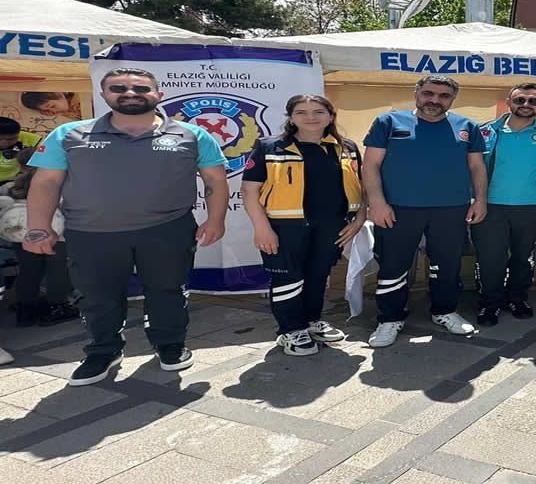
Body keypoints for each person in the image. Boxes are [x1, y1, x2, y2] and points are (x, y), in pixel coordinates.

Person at [25, 68, 229, 386]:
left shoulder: (192, 135)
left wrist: (215, 220)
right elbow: (46, 182)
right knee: (97, 296)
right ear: (104, 95)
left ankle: (169, 344)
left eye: (141, 88)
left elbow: (215, 179)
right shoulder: (69, 134)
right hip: (91, 233)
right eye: (118, 88)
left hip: (168, 229)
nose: (130, 93)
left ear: (159, 95)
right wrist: (39, 227)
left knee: (167, 291)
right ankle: (103, 351)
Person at [362, 75, 486, 347]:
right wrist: (377, 202)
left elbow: (477, 167)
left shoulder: (467, 126)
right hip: (398, 209)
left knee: (447, 264)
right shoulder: (388, 122)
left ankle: (445, 311)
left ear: (452, 99)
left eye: (444, 96)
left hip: (451, 209)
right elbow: (370, 165)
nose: (435, 100)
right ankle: (390, 318)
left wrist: (480, 200)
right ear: (416, 93)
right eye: (429, 93)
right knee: (394, 265)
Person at [241, 95, 366, 356]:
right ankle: (290, 330)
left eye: (318, 111)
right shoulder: (270, 147)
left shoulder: (346, 147)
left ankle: (310, 321)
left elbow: (362, 186)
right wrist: (262, 228)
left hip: (331, 226)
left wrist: (359, 219)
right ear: (291, 117)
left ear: (330, 116)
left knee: (318, 275)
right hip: (284, 226)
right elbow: (249, 191)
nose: (310, 117)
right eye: (301, 112)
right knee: (287, 278)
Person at [472, 84, 536, 326]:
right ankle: (490, 303)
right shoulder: (486, 132)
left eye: (533, 101)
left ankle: (517, 298)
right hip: (489, 207)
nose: (526, 105)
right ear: (508, 101)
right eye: (520, 100)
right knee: (490, 258)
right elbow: (470, 167)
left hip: (532, 207)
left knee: (523, 257)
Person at [3, 148, 78, 327]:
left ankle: (25, 309)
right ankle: (57, 306)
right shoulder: (59, 185)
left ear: (21, 166)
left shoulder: (10, 187)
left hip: (21, 235)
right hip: (56, 235)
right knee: (57, 271)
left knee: (28, 271)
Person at [0, 117, 41, 183]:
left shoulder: (28, 138)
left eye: (10, 139)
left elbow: (45, 150)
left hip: (19, 178)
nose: (4, 143)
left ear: (18, 134)